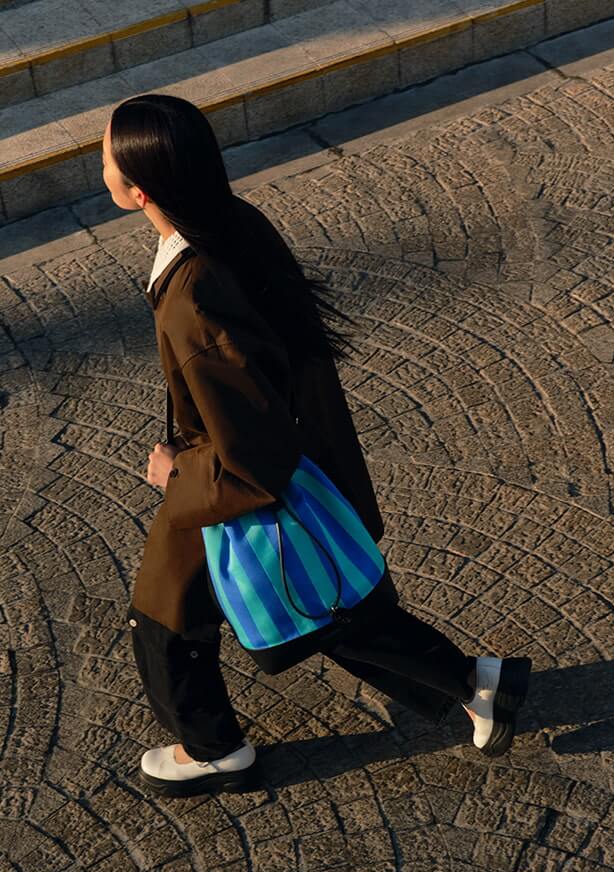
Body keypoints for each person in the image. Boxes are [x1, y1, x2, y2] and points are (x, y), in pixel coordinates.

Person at [101, 94, 531, 798]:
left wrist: (177, 474)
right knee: (299, 606)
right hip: (276, 459)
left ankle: (213, 750)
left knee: (200, 613)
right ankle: (475, 682)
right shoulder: (230, 223)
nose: (101, 164)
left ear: (140, 188)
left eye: (106, 155)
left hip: (227, 475)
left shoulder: (194, 297)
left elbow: (250, 449)